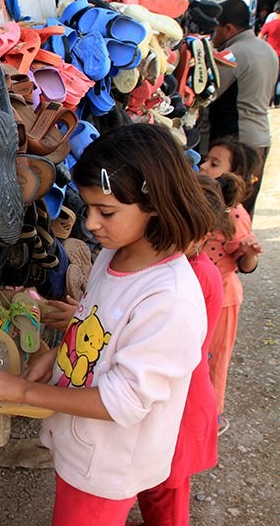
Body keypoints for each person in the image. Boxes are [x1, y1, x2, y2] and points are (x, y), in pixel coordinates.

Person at [0, 124, 215, 525]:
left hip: (108, 465)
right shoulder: (113, 255)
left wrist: (25, 391)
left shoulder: (170, 299)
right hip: (86, 447)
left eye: (106, 211)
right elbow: (95, 325)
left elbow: (122, 401)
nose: (91, 223)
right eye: (89, 207)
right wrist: (56, 355)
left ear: (155, 203)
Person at [135, 173, 228, 526]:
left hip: (182, 403)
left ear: (202, 233)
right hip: (176, 396)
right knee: (154, 483)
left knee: (167, 493)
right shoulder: (185, 266)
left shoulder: (193, 275)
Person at [198, 138, 263, 433]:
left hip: (223, 300)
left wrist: (249, 253)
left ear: (234, 176)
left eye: (214, 163)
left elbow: (245, 265)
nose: (203, 166)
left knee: (214, 357)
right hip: (201, 294)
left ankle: (212, 416)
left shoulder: (235, 216)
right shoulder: (203, 204)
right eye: (206, 159)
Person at [208, 0, 278, 216]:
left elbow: (209, 94)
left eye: (216, 29)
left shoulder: (233, 54)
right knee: (245, 210)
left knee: (227, 207)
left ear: (228, 28)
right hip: (261, 138)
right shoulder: (267, 49)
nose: (213, 36)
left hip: (237, 140)